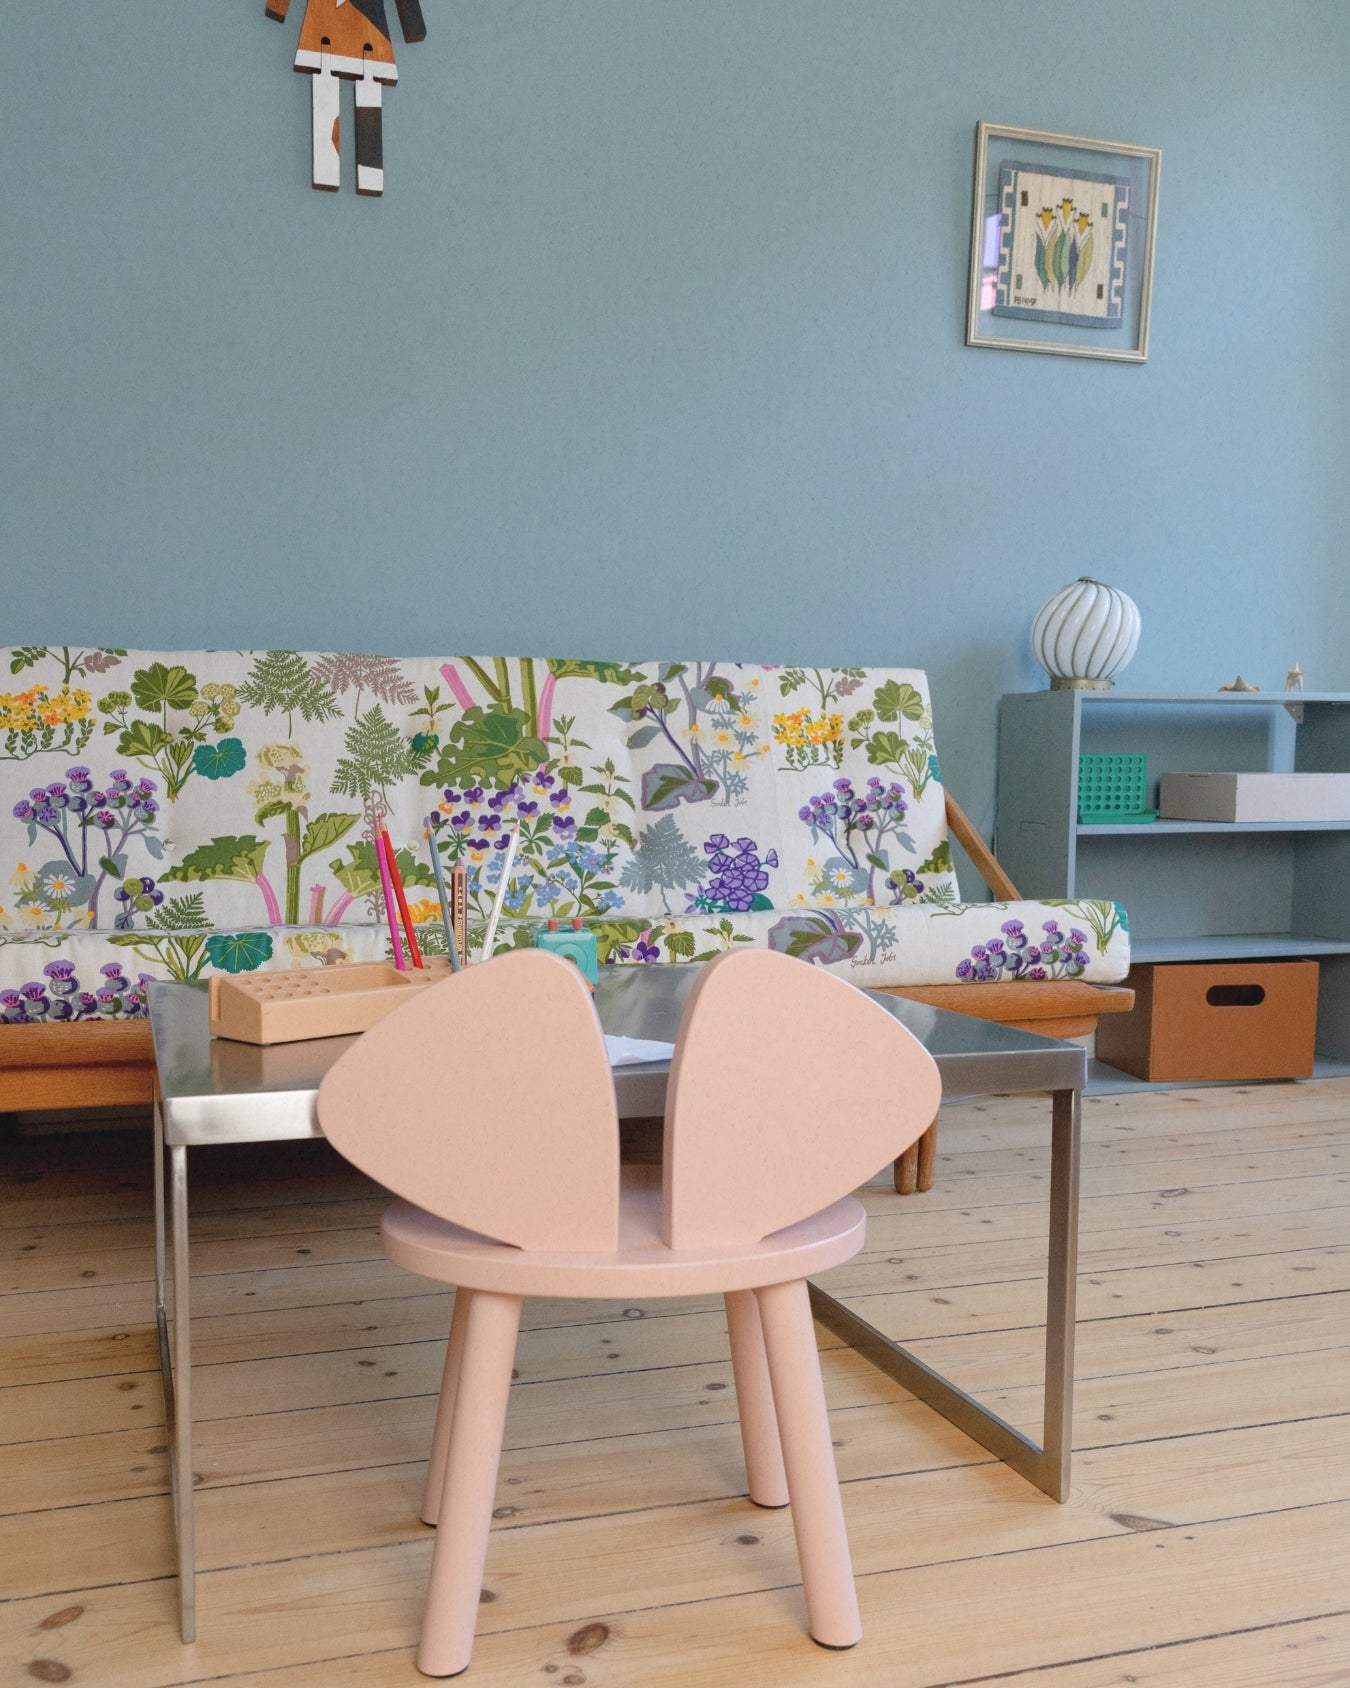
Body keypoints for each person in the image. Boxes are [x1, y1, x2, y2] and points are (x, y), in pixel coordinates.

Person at [266, 0, 427, 195]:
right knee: (326, 90)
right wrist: (277, 7)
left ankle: (370, 173)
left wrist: (413, 23)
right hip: (324, 35)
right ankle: (327, 170)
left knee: (368, 95)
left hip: (369, 40)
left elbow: (412, 19)